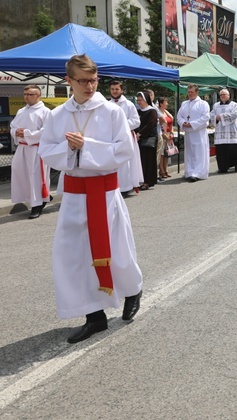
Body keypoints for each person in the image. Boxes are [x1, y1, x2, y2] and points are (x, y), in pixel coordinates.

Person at [38, 54, 143, 344]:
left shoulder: (111, 112)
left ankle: (132, 289)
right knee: (75, 256)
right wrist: (69, 150)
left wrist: (87, 146)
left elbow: (123, 151)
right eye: (82, 81)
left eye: (94, 80)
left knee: (116, 250)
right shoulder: (57, 116)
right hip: (74, 196)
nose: (89, 86)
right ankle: (94, 317)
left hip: (105, 193)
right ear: (68, 81)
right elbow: (46, 151)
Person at [10, 85, 52, 219]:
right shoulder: (21, 111)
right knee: (20, 172)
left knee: (35, 177)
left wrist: (27, 133)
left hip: (37, 149)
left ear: (38, 95)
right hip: (22, 148)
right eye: (25, 94)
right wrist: (15, 132)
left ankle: (37, 205)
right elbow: (13, 126)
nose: (26, 97)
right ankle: (41, 197)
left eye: (30, 94)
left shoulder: (45, 112)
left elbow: (47, 131)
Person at [109, 81, 143, 196]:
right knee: (114, 163)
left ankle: (125, 187)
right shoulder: (106, 104)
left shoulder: (129, 104)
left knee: (126, 164)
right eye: (112, 89)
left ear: (122, 90)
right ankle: (114, 186)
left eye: (117, 89)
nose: (114, 91)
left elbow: (136, 122)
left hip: (126, 137)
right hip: (112, 139)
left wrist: (120, 125)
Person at [176, 84, 210, 182]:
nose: (190, 94)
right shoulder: (184, 104)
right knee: (190, 153)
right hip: (189, 133)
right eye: (189, 92)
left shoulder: (203, 104)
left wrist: (192, 124)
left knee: (199, 153)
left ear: (197, 92)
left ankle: (198, 173)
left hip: (198, 132)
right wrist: (183, 123)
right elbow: (179, 116)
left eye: (192, 92)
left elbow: (205, 117)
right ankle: (190, 172)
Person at [211, 89, 237, 173]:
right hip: (220, 131)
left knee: (234, 149)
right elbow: (211, 114)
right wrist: (215, 118)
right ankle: (223, 167)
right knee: (222, 150)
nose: (222, 96)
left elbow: (234, 115)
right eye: (221, 94)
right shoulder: (216, 105)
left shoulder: (233, 104)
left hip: (231, 130)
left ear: (228, 95)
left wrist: (221, 117)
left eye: (224, 94)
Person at [135, 92, 158, 190]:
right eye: (138, 100)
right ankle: (140, 180)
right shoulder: (138, 111)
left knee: (148, 161)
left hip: (148, 139)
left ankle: (147, 181)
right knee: (140, 161)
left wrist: (140, 134)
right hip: (138, 139)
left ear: (146, 100)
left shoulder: (152, 111)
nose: (139, 102)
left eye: (141, 100)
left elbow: (150, 125)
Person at [157, 97, 173, 180]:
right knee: (162, 154)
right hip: (162, 135)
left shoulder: (166, 112)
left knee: (167, 153)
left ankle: (166, 169)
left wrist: (172, 132)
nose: (167, 104)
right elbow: (160, 125)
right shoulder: (158, 112)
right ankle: (161, 170)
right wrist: (164, 135)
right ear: (161, 104)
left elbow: (171, 122)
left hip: (168, 134)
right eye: (165, 102)